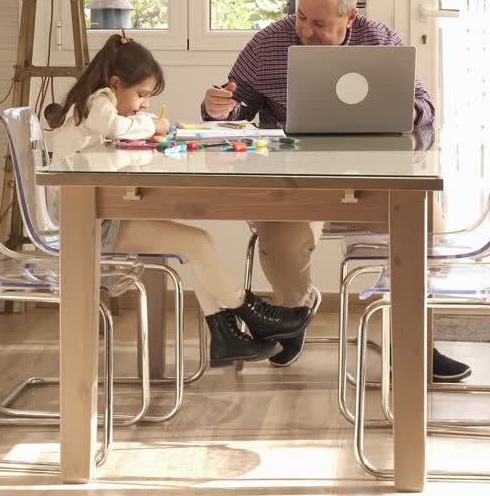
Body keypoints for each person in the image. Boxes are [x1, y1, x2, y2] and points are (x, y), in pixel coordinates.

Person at [200, 0, 471, 382]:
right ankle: (294, 312)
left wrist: (410, 110)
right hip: (295, 185)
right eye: (301, 17)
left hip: (371, 182)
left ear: (351, 18)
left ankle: (413, 339)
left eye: (320, 22)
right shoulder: (268, 43)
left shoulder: (381, 42)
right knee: (278, 241)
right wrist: (218, 109)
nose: (305, 30)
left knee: (426, 222)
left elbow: (426, 112)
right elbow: (236, 110)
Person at [46, 33, 317, 369]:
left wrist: (148, 126)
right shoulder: (97, 101)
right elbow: (117, 127)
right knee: (196, 243)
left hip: (100, 210)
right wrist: (152, 124)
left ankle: (227, 332)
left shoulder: (98, 103)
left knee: (196, 243)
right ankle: (252, 315)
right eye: (141, 95)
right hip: (84, 220)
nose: (143, 103)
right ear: (115, 84)